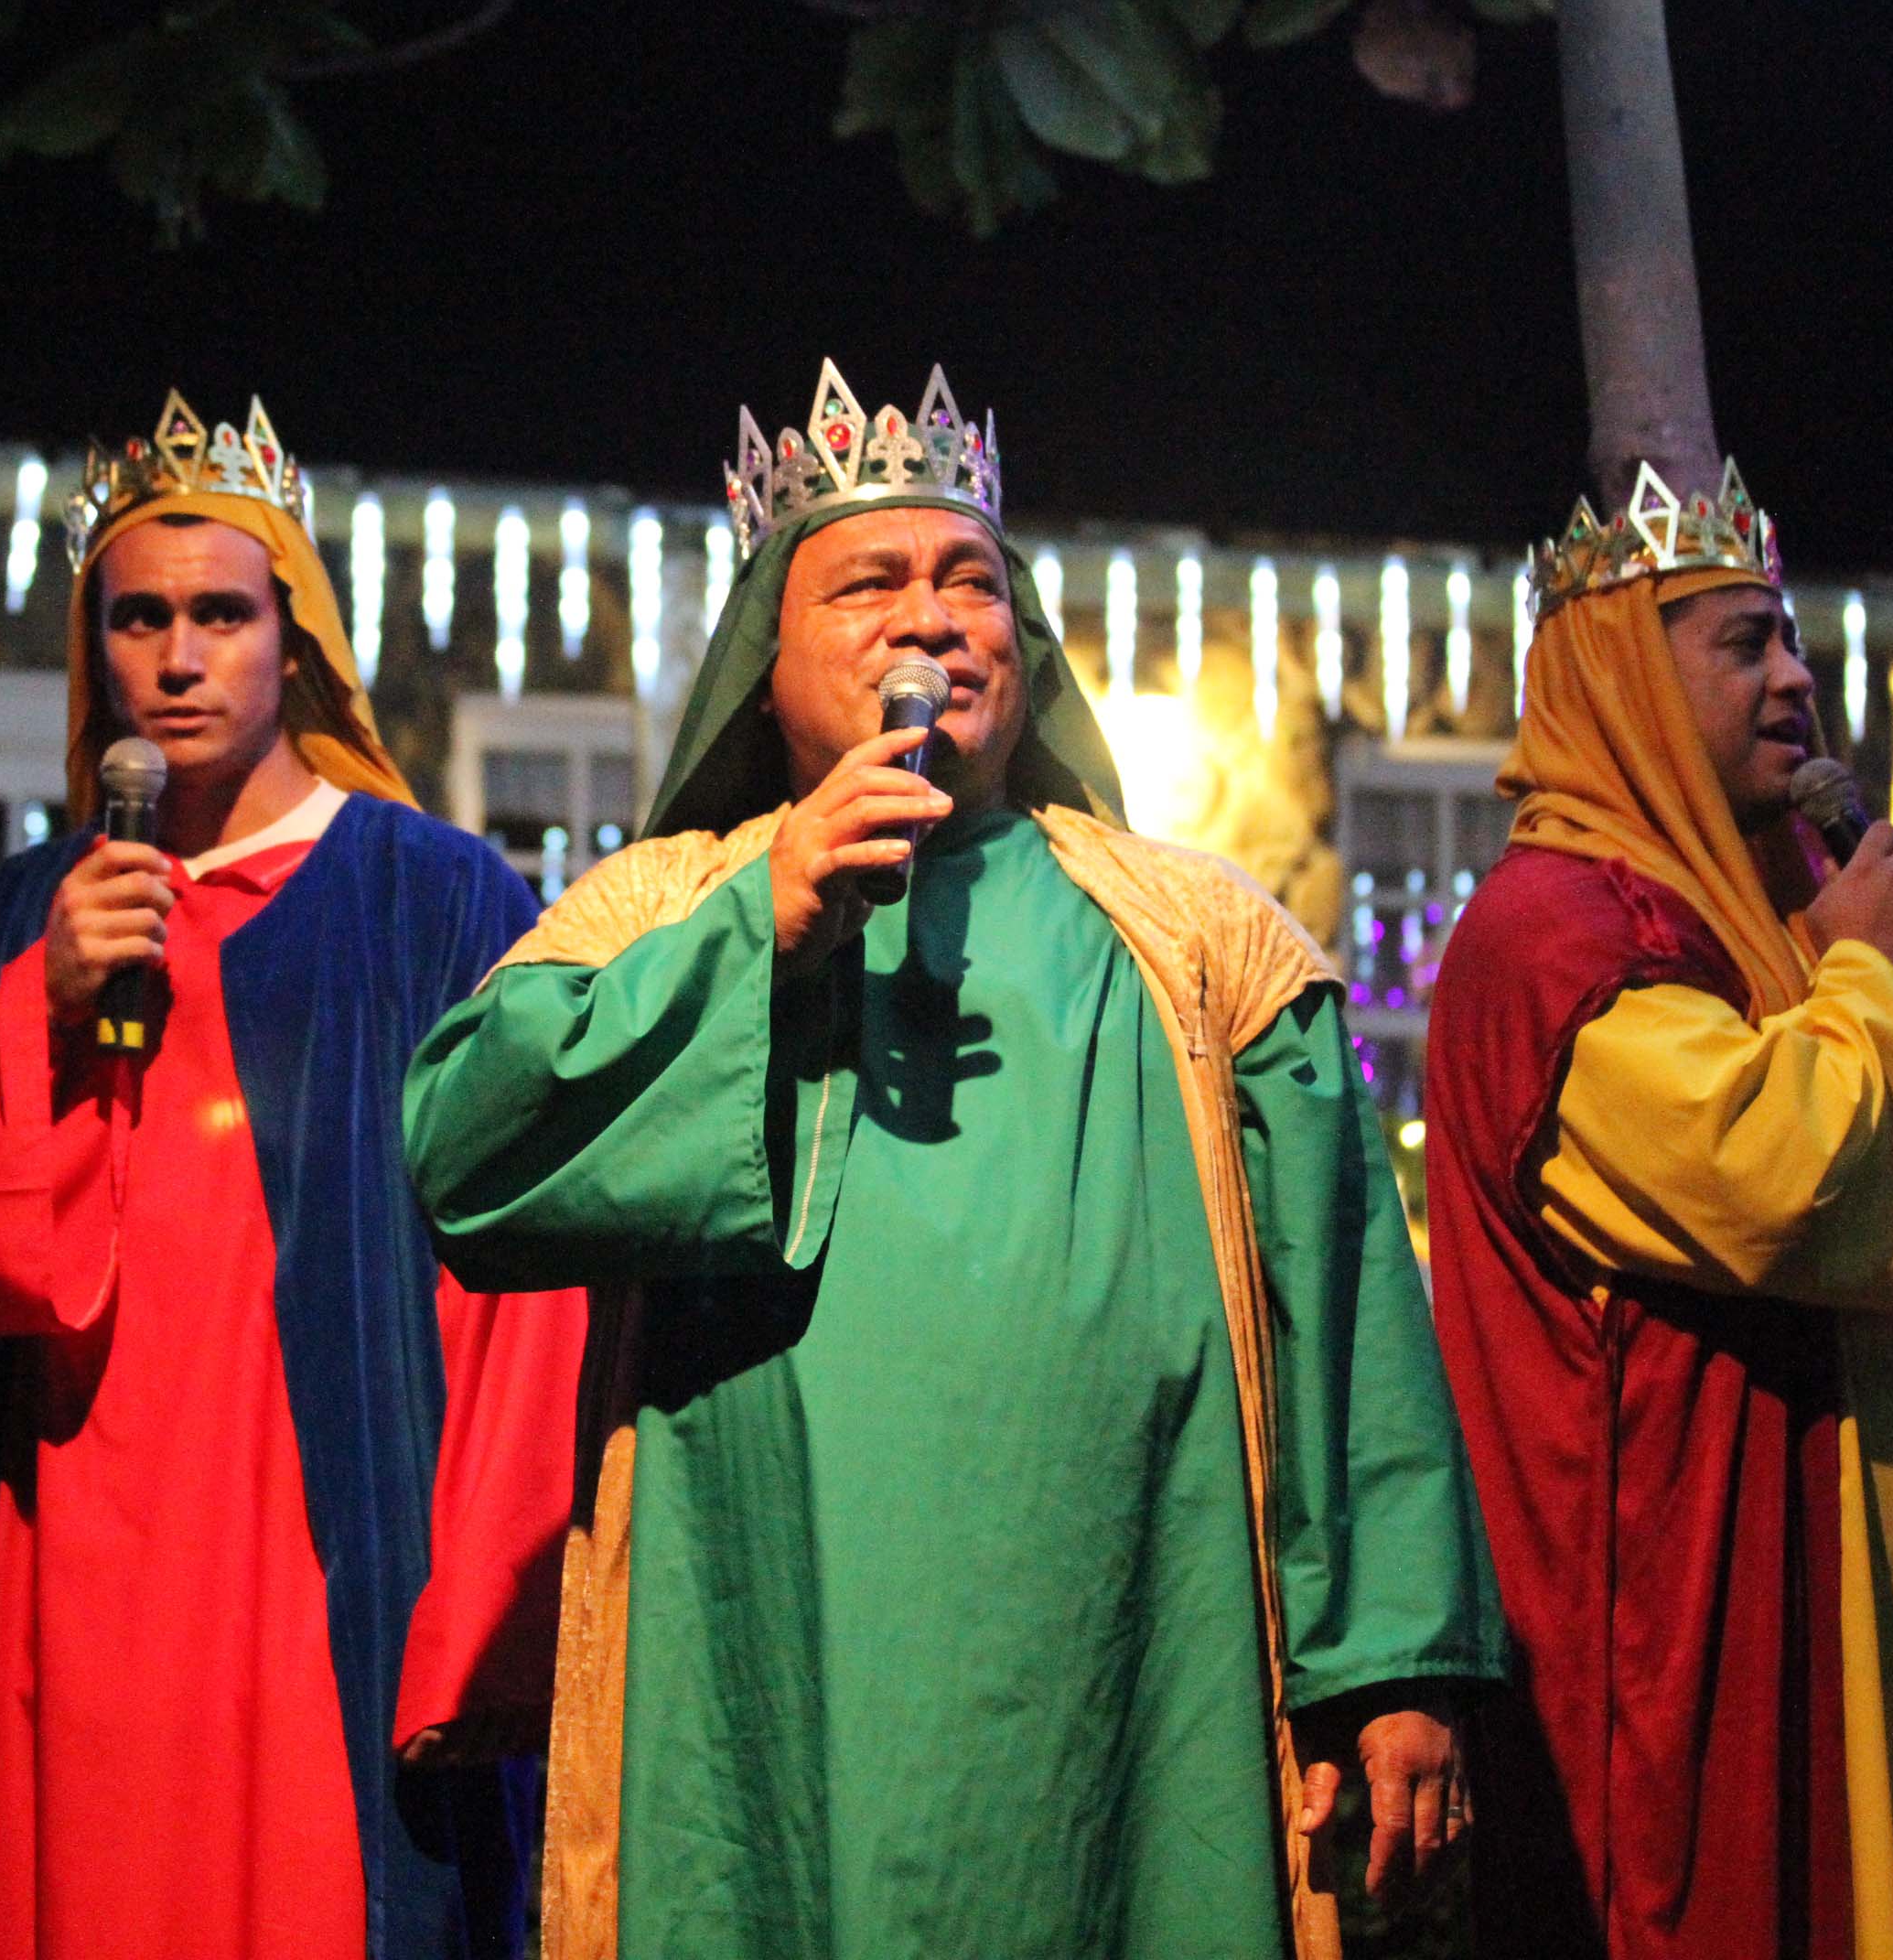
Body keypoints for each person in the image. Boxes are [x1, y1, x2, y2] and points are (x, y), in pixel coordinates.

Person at [400, 361, 1505, 1960]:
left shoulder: (1203, 939)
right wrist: (762, 918)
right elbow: (467, 1156)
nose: (933, 619)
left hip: (1136, 1649)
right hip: (765, 1636)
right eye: (871, 582)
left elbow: (1342, 1305)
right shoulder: (657, 906)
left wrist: (1392, 1661)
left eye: (971, 583)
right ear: (765, 663)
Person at [0, 392, 590, 1960]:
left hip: (346, 1526)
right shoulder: (28, 910)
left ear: (289, 638)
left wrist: (497, 1594)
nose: (178, 657)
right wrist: (37, 998)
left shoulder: (434, 899)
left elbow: (540, 1237)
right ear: (92, 647)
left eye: (220, 615)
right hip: (93, 1528)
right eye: (139, 617)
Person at [1424, 462, 1893, 1960]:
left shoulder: (1743, 909)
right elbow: (1772, 1173)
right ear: (1627, 682)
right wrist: (1864, 975)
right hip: (1679, 1637)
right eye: (1742, 643)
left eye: (1794, 643)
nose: (1795, 680)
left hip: (1805, 1575)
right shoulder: (1556, 936)